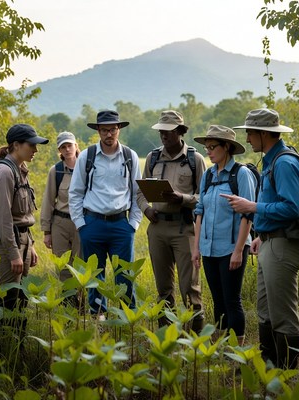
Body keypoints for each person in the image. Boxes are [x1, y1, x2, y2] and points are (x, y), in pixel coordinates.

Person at [226, 108, 299, 369]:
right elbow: (275, 204)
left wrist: (252, 207)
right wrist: (261, 234)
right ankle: (268, 365)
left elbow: (291, 207)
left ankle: (287, 373)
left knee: (282, 314)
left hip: (284, 246)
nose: (247, 139)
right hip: (271, 242)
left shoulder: (284, 163)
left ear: (263, 133)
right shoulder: (271, 161)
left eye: (250, 133)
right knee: (265, 310)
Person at [68, 110, 142, 319]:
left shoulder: (130, 156)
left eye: (112, 130)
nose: (109, 134)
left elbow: (138, 193)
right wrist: (81, 224)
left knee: (125, 276)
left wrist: (133, 224)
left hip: (121, 225)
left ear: (118, 130)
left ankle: (128, 320)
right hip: (92, 223)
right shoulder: (87, 156)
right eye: (104, 130)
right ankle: (98, 320)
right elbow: (75, 192)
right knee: (95, 277)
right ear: (98, 132)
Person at [136, 110, 206, 332]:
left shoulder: (195, 160)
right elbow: (140, 192)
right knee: (164, 288)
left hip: (184, 228)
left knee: (189, 287)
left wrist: (182, 198)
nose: (163, 136)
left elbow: (205, 197)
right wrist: (146, 209)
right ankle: (167, 337)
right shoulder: (153, 158)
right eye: (161, 131)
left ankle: (195, 339)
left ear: (179, 131)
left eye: (168, 131)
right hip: (157, 227)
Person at [191, 125, 257, 345]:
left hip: (232, 249)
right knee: (218, 301)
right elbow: (199, 211)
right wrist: (196, 247)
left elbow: (248, 214)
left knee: (231, 300)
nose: (208, 152)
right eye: (206, 147)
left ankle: (236, 351)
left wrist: (238, 250)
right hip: (209, 249)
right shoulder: (208, 175)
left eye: (212, 147)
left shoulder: (241, 174)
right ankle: (220, 348)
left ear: (226, 147)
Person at [0, 123, 48, 344]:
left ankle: (17, 349)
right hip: (5, 245)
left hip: (21, 240)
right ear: (16, 145)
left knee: (20, 299)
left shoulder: (21, 170)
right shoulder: (4, 172)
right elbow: (3, 218)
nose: (35, 150)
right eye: (31, 145)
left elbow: (23, 216)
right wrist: (13, 253)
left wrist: (29, 247)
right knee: (7, 300)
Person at [40, 131, 82, 307]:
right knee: (64, 265)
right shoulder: (56, 170)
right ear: (59, 150)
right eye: (63, 147)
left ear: (75, 145)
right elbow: (48, 200)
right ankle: (68, 303)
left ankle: (82, 303)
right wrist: (47, 232)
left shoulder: (86, 167)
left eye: (69, 145)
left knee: (81, 263)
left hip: (82, 223)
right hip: (60, 223)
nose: (67, 149)